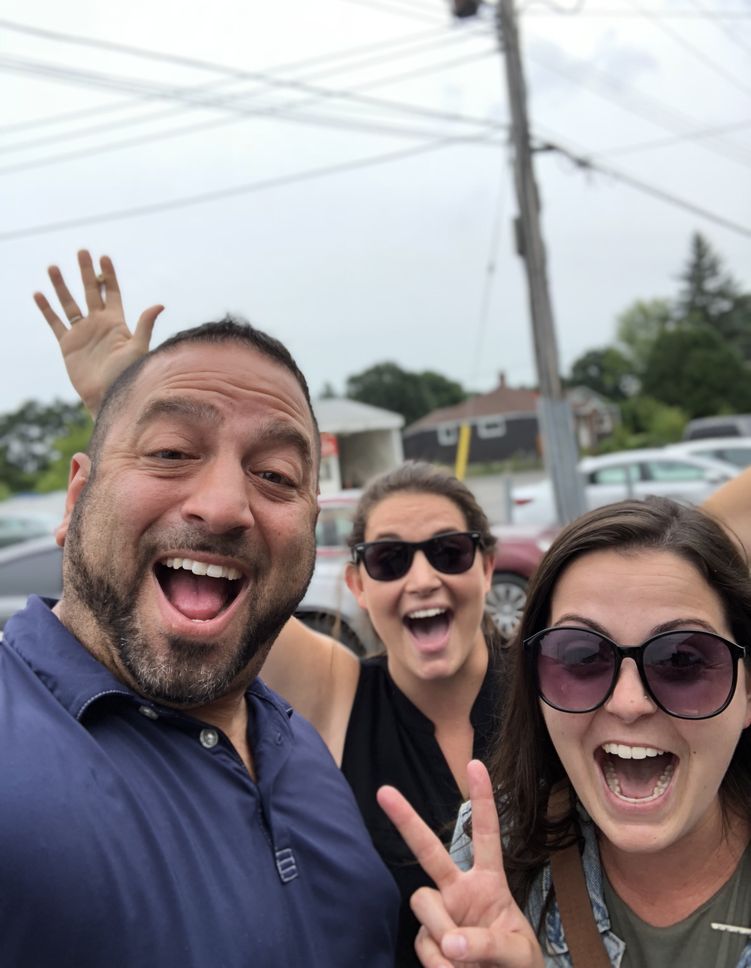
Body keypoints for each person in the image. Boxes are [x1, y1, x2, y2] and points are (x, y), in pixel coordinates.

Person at [34, 250, 506, 967]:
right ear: (356, 584)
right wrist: (128, 407)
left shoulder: (562, 685)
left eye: (448, 552)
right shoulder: (338, 694)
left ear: (487, 567)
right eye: (389, 559)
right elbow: (213, 602)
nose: (422, 578)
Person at [379, 497, 751, 967]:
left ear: (747, 692)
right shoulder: (496, 847)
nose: (629, 703)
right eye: (581, 657)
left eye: (683, 660)